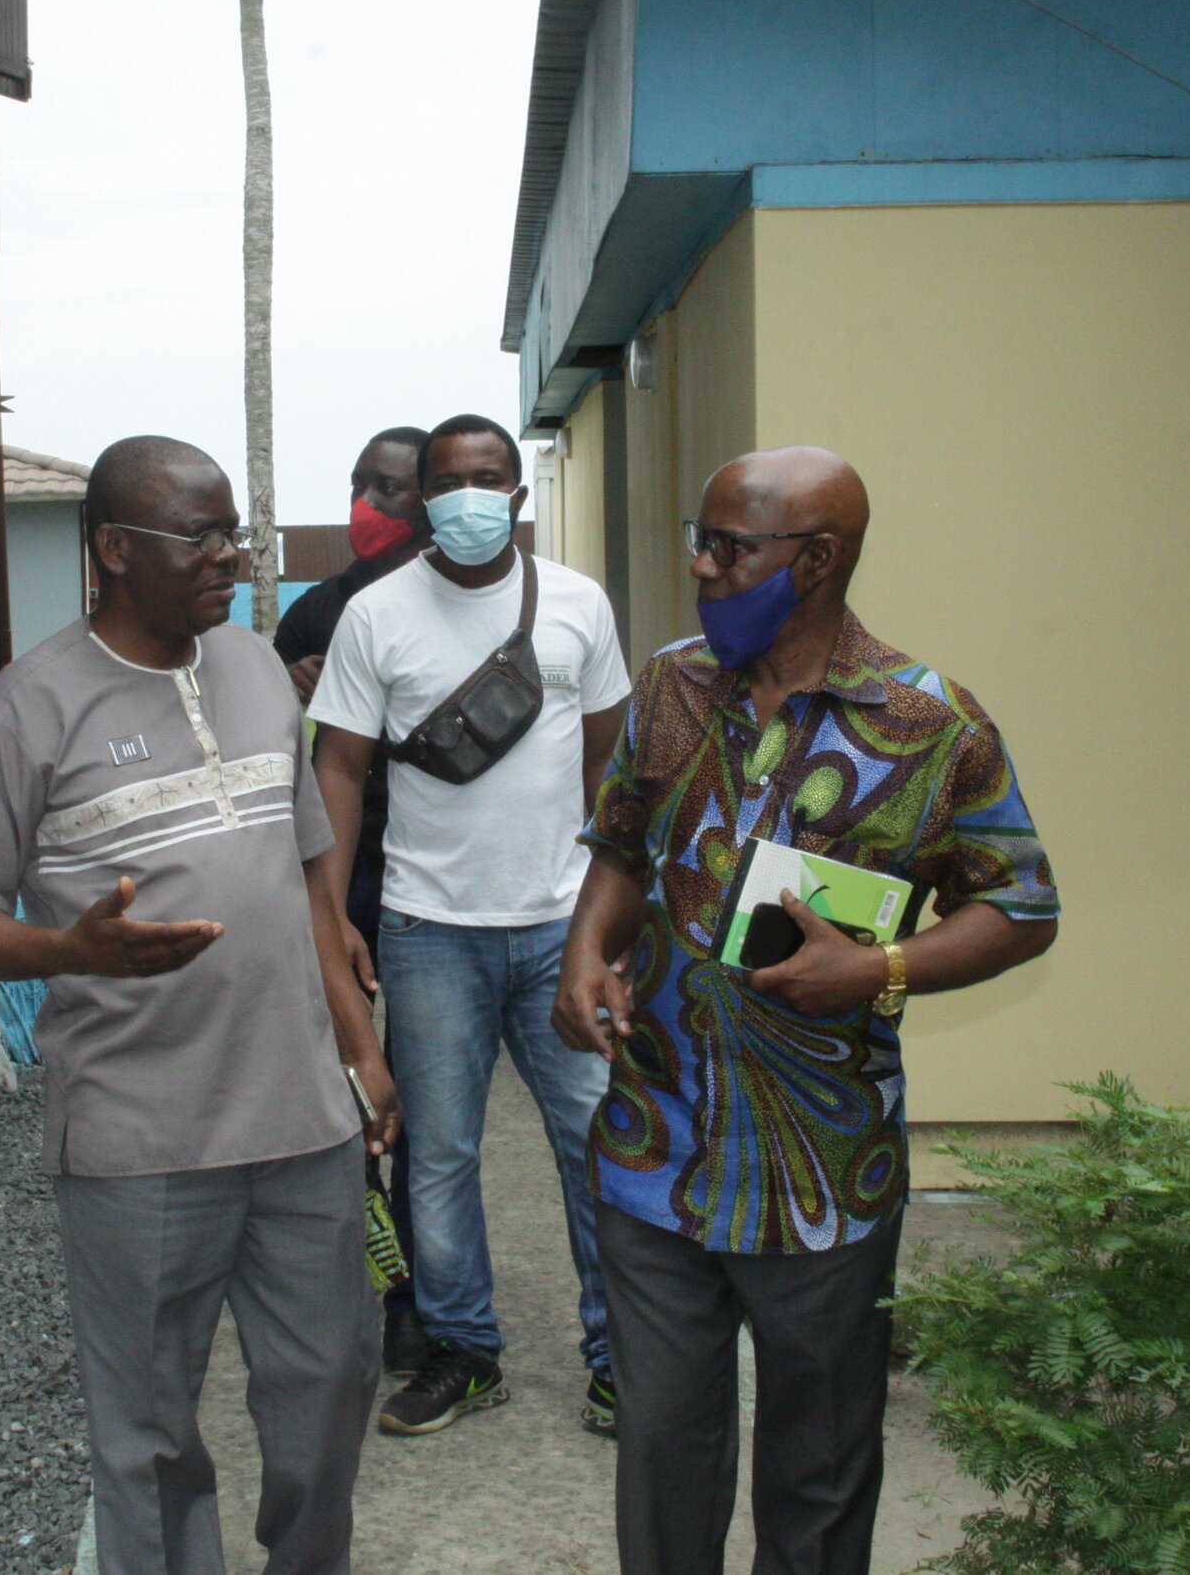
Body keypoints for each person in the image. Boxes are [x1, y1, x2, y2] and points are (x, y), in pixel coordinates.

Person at [553, 447, 1060, 1575]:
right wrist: (586, 951)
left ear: (817, 560)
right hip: (654, 1149)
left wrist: (880, 974)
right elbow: (622, 848)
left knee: (818, 1474)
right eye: (703, 537)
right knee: (662, 1458)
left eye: (729, 548)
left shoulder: (933, 727)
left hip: (824, 1175)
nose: (700, 565)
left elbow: (1021, 907)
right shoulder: (670, 686)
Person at [0, 435, 399, 1575]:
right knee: (145, 1435)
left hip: (302, 1126)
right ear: (111, 551)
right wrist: (67, 949)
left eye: (231, 531)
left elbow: (303, 880)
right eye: (199, 535)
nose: (227, 556)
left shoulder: (247, 665)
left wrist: (360, 1051)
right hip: (141, 1142)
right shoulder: (28, 707)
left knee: (328, 1400)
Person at [307, 413, 631, 1438]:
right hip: (427, 927)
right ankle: (460, 1351)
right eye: (447, 480)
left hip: (560, 933)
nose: (467, 496)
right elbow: (340, 770)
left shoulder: (578, 603)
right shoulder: (375, 615)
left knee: (596, 1145)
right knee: (438, 1154)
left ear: (517, 494)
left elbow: (608, 772)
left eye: (488, 477)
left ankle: (624, 1358)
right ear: (421, 496)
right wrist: (331, 912)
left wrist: (611, 922)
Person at [271, 425, 435, 1374]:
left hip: (426, 872)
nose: (370, 503)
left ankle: (415, 1293)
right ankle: (352, 1270)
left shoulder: (461, 607)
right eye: (360, 483)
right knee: (343, 1080)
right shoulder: (315, 615)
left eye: (391, 487)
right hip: (335, 871)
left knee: (417, 1093)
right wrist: (293, 692)